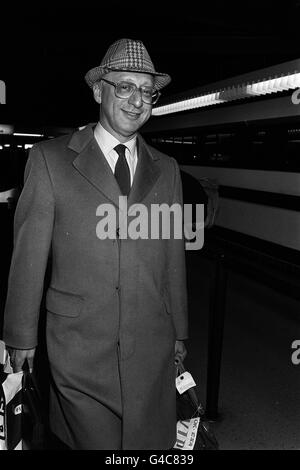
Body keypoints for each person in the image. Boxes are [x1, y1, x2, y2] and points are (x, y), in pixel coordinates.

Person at [2, 38, 188, 450]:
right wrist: (20, 335)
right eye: (125, 86)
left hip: (152, 343)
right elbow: (28, 255)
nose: (137, 100)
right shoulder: (50, 160)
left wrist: (180, 329)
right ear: (98, 90)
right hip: (78, 347)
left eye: (146, 90)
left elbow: (173, 253)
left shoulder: (168, 169)